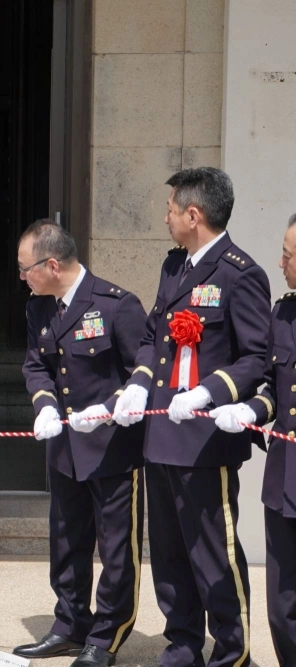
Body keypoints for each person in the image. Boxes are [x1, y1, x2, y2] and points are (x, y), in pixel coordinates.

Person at [110, 167, 270, 667]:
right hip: (161, 434)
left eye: (171, 210)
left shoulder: (240, 273)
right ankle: (182, 644)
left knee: (213, 553)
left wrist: (207, 392)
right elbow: (152, 336)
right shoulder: (174, 266)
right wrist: (138, 384)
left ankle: (232, 652)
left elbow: (256, 358)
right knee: (170, 551)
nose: (166, 218)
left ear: (194, 215)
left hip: (204, 440)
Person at [15, 219, 146, 667]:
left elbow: (142, 373)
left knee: (116, 550)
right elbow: (36, 366)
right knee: (66, 540)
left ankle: (106, 636)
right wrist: (45, 406)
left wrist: (108, 408)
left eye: (26, 268)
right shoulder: (39, 308)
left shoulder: (116, 304)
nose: (22, 277)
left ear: (52, 265)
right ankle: (70, 624)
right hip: (65, 449)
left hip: (111, 450)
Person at [208, 211, 296, 666]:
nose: (280, 263)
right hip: (285, 481)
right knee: (282, 607)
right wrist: (249, 410)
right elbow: (273, 389)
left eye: (288, 255)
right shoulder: (282, 313)